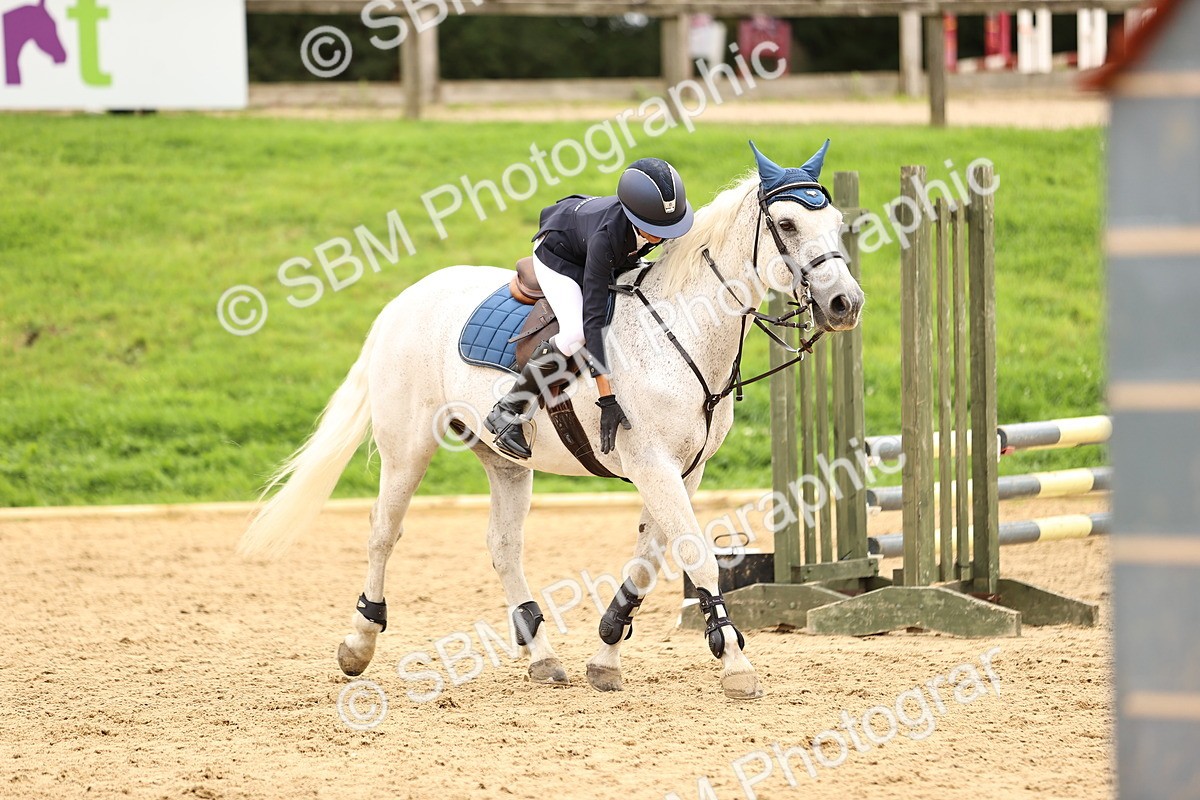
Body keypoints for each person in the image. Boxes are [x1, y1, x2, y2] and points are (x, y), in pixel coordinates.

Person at [484, 157, 695, 460]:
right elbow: (594, 319)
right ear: (634, 218)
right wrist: (606, 398)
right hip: (560, 254)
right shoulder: (605, 239)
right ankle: (508, 408)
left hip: (598, 237)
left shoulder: (661, 220)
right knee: (575, 334)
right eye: (655, 229)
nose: (663, 236)